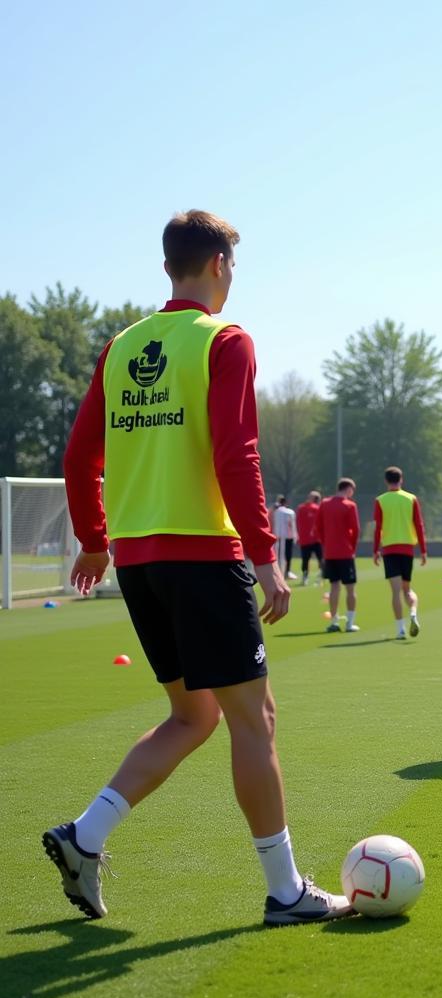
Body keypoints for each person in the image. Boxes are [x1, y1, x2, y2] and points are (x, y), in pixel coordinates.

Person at [47, 210, 352, 926]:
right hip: (203, 559)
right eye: (234, 266)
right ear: (219, 264)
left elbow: (78, 457)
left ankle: (83, 838)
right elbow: (234, 454)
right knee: (257, 720)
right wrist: (265, 557)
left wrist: (94, 539)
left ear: (167, 269)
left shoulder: (122, 345)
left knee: (192, 716)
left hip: (139, 564)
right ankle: (285, 893)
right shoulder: (225, 339)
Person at [373, 466, 427, 639]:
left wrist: (375, 550)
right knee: (407, 589)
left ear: (386, 481)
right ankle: (413, 612)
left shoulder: (380, 500)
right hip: (407, 549)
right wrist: (423, 551)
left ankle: (400, 629)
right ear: (401, 479)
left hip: (389, 549)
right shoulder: (411, 498)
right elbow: (419, 525)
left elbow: (378, 528)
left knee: (395, 591)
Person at [318, 478, 360, 633]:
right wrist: (352, 548)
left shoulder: (324, 504)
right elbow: (355, 530)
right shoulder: (350, 505)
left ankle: (334, 621)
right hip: (345, 552)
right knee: (350, 589)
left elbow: (319, 527)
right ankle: (349, 623)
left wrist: (326, 544)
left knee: (334, 587)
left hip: (330, 552)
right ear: (348, 488)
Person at [295, 490, 323, 585]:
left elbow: (298, 523)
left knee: (306, 559)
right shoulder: (317, 508)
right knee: (319, 558)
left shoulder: (301, 508)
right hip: (315, 539)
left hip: (307, 539)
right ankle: (320, 577)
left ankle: (306, 577)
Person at [272, 496, 298, 580]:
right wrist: (295, 535)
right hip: (287, 537)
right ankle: (286, 572)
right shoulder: (289, 512)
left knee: (278, 555)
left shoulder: (275, 511)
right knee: (287, 555)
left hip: (277, 536)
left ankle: (279, 572)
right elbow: (292, 525)